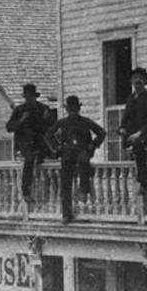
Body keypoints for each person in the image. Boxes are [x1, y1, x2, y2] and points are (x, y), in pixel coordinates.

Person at [46, 95, 106, 223]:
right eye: (70, 109)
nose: (72, 112)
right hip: (67, 154)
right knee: (65, 185)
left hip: (82, 151)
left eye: (75, 109)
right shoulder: (62, 123)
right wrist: (57, 147)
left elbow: (101, 132)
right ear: (67, 110)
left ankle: (83, 190)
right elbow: (48, 134)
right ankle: (66, 214)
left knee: (84, 161)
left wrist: (93, 145)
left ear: (78, 109)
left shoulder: (85, 122)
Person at [117, 67, 147, 214]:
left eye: (141, 78)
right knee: (133, 147)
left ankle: (143, 181)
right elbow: (124, 121)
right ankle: (138, 205)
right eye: (135, 78)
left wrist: (139, 133)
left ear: (145, 81)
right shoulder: (130, 99)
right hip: (134, 139)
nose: (138, 81)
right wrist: (122, 129)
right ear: (131, 81)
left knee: (138, 146)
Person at [6, 83, 57, 203]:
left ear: (35, 97)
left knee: (53, 158)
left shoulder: (43, 108)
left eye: (32, 97)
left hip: (40, 142)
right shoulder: (19, 110)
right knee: (29, 158)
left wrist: (48, 119)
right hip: (24, 143)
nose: (30, 99)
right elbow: (9, 127)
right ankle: (26, 191)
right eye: (27, 97)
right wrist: (22, 120)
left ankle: (53, 194)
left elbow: (52, 126)